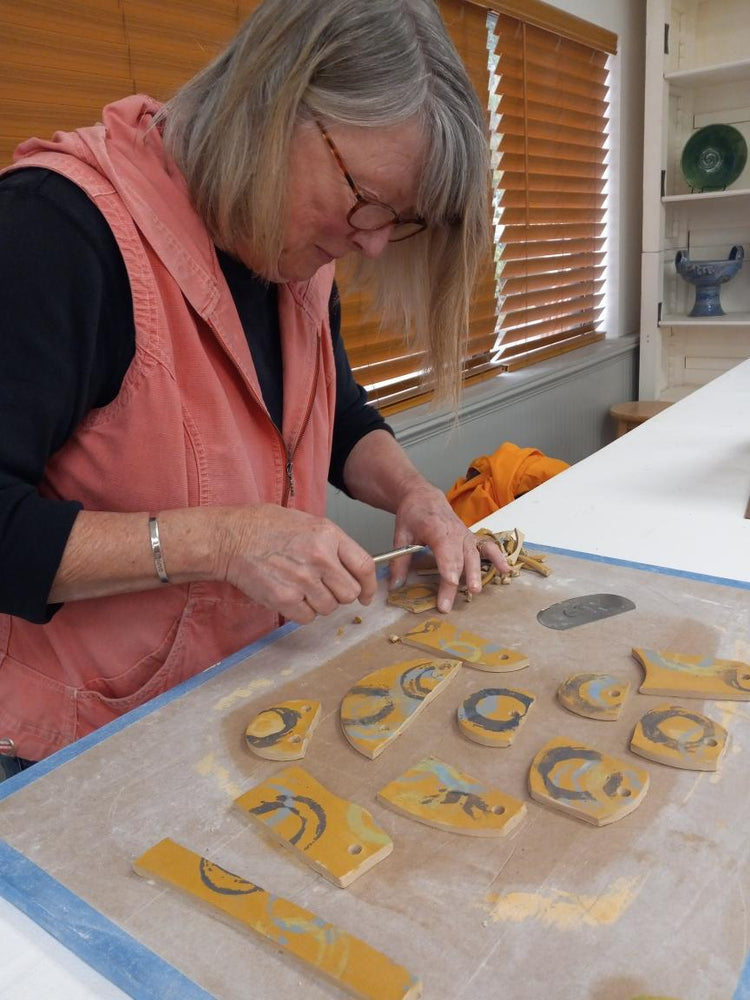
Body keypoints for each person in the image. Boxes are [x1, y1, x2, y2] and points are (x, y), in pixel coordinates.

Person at [0, 0, 508, 778]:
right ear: (273, 109)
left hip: (230, 703)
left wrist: (415, 494)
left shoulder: (294, 250)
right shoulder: (53, 233)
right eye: (367, 200)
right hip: (71, 748)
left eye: (397, 220)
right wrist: (225, 541)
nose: (373, 243)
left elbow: (334, 415)